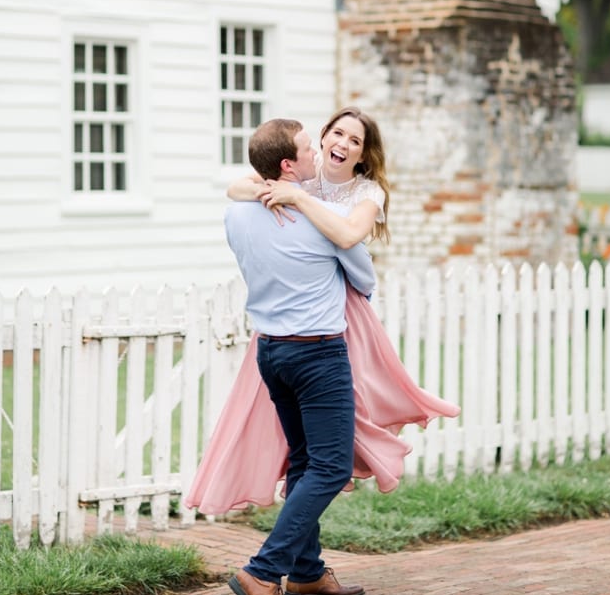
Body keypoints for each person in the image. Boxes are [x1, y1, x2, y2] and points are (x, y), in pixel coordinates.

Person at [186, 107, 459, 516]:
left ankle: (352, 461)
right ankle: (302, 566)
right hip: (299, 321)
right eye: (337, 134)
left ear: (363, 156)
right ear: (325, 136)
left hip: (342, 313)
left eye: (355, 141)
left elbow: (349, 235)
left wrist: (295, 197)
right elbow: (235, 189)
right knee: (303, 447)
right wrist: (271, 190)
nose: (342, 145)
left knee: (348, 412)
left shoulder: (365, 194)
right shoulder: (303, 177)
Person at [223, 118, 374, 595]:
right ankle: (263, 571)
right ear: (288, 165)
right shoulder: (322, 218)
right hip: (318, 354)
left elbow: (240, 189)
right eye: (310, 146)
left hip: (271, 354)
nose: (319, 151)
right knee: (331, 468)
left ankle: (306, 572)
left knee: (305, 460)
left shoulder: (237, 214)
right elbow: (365, 277)